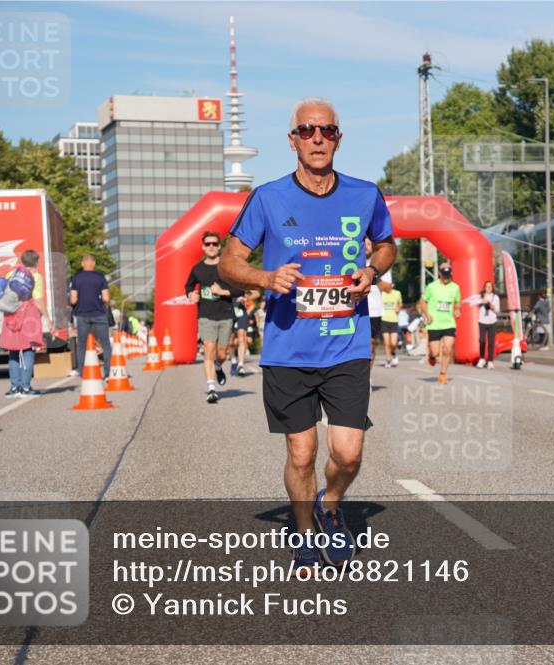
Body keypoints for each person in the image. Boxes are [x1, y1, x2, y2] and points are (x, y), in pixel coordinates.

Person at [220, 96, 396, 576]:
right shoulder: (268, 198)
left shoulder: (365, 194)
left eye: (326, 131)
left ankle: (330, 503)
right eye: (307, 131)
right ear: (292, 139)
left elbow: (386, 245)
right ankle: (303, 538)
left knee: (348, 452)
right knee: (302, 453)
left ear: (339, 138)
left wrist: (372, 270)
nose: (317, 138)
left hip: (346, 342)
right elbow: (229, 263)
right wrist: (265, 277)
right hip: (288, 347)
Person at [185, 230, 236, 403]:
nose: (211, 246)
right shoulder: (197, 269)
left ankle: (218, 366)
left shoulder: (227, 266)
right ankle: (211, 389)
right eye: (208, 244)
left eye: (215, 243)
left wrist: (222, 292)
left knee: (221, 353)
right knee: (208, 348)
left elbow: (239, 289)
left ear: (219, 246)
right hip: (206, 315)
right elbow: (188, 286)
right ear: (203, 247)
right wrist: (191, 294)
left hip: (225, 314)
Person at [0, 250, 49, 397]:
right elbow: (38, 300)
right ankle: (26, 387)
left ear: (22, 261)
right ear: (36, 262)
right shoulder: (36, 277)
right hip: (29, 315)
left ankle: (14, 388)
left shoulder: (10, 274)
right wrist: (47, 317)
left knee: (13, 351)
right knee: (28, 350)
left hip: (11, 315)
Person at [70, 254, 112, 379]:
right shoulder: (100, 277)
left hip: (82, 315)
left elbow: (73, 300)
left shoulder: (76, 278)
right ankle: (108, 373)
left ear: (82, 264)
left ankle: (82, 373)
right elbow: (106, 298)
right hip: (99, 314)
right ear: (94, 264)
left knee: (81, 345)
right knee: (105, 344)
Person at [419, 263, 462, 384]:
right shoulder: (431, 287)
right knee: (436, 352)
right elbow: (422, 301)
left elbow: (458, 302)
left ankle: (442, 373)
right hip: (434, 324)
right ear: (439, 274)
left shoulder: (455, 287)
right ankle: (431, 355)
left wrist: (457, 309)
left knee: (448, 349)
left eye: (448, 275)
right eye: (444, 275)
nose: (446, 278)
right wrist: (427, 314)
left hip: (449, 324)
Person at [364, 238, 394, 369]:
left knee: (371, 344)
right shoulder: (352, 262)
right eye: (364, 243)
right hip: (354, 309)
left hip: (374, 311)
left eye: (369, 244)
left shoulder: (380, 264)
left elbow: (388, 288)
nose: (366, 246)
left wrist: (372, 274)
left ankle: (368, 375)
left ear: (373, 247)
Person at [476, 281, 501, 369]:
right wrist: (481, 301)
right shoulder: (481, 296)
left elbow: (498, 310)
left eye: (490, 286)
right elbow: (475, 303)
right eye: (487, 286)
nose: (488, 288)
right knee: (482, 340)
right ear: (484, 287)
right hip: (482, 321)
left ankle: (490, 361)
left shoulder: (495, 297)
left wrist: (492, 306)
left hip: (492, 321)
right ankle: (482, 359)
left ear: (492, 288)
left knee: (491, 342)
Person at [381, 281, 402, 367]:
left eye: (389, 285)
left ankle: (393, 352)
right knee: (387, 343)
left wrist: (398, 307)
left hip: (394, 320)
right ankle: (388, 360)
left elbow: (400, 303)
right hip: (384, 320)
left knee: (393, 343)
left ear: (392, 285)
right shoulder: (381, 293)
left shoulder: (397, 293)